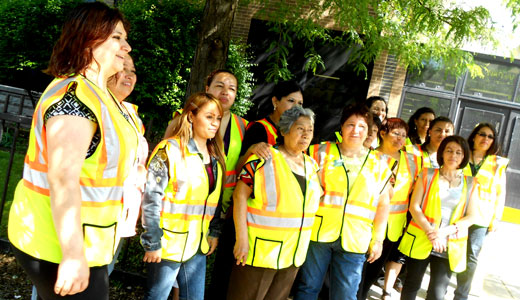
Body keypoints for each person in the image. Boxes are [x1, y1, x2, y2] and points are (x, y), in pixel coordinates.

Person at [8, 3, 137, 299]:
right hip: (55, 244)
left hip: (84, 242)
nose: (126, 47)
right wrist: (73, 255)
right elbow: (63, 179)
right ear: (90, 38)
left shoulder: (99, 95)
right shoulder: (74, 99)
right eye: (117, 38)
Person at [294, 104, 393, 300]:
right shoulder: (318, 152)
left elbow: (383, 205)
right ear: (341, 127)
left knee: (346, 294)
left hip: (356, 237)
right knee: (307, 288)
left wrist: (378, 239)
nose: (355, 130)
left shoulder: (379, 165)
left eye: (362, 127)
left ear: (369, 132)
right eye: (350, 125)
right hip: (318, 233)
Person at [227, 106, 322, 300]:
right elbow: (239, 196)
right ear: (285, 130)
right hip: (259, 252)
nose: (306, 135)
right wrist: (241, 238)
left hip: (293, 254)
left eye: (310, 130)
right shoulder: (263, 158)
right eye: (300, 128)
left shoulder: (312, 165)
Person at [141, 92, 225, 300]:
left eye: (218, 119)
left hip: (197, 244)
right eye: (209, 117)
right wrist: (152, 242)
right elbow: (151, 198)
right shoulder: (169, 150)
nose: (215, 123)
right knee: (156, 297)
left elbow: (214, 200)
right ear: (190, 117)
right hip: (168, 243)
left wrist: (213, 231)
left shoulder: (215, 156)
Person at [399, 136, 479, 300]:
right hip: (422, 238)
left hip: (448, 244)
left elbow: (472, 216)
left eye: (458, 152)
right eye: (449, 150)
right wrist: (432, 233)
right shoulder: (427, 174)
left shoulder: (471, 183)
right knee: (411, 284)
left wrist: (443, 233)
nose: (453, 155)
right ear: (442, 152)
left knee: (437, 293)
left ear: (464, 157)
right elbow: (414, 206)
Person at [357, 118, 420, 300]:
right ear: (382, 134)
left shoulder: (413, 161)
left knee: (373, 271)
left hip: (394, 226)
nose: (400, 138)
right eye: (395, 133)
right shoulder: (369, 155)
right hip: (368, 222)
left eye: (403, 135)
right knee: (357, 269)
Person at [454, 123, 508, 300]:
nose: (486, 139)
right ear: (474, 136)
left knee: (471, 257)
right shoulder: (461, 155)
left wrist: (496, 218)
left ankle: (461, 294)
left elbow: (500, 192)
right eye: (482, 134)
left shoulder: (497, 163)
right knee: (451, 250)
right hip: (457, 214)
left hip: (481, 217)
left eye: (490, 136)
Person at [106, 53, 148, 274]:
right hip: (93, 214)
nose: (129, 75)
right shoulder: (97, 107)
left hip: (121, 215)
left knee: (100, 278)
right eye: (123, 69)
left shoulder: (131, 114)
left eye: (133, 71)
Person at [238, 80, 304, 166]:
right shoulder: (259, 128)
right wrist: (252, 149)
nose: (296, 107)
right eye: (291, 101)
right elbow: (240, 168)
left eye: (300, 103)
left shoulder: (301, 132)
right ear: (275, 101)